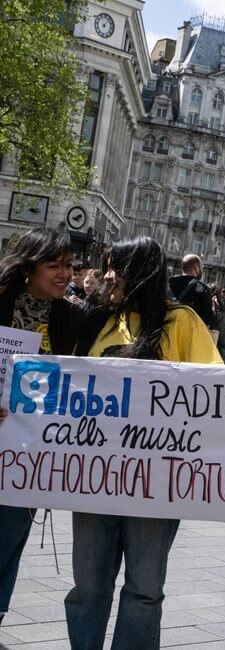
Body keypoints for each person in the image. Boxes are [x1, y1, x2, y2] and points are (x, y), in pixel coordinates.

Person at [63, 236, 222, 649]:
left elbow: (217, 389)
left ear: (144, 271)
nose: (109, 275)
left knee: (144, 590)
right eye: (108, 265)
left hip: (156, 486)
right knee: (87, 587)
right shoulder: (96, 318)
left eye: (118, 266)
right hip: (95, 482)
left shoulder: (181, 320)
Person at [0, 228, 84, 627]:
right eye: (55, 265)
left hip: (29, 453)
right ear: (28, 268)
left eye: (69, 264)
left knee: (10, 541)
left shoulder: (70, 317)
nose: (65, 273)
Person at [168, 253, 214, 327]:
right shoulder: (202, 289)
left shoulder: (168, 284)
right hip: (188, 335)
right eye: (201, 267)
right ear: (196, 268)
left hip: (167, 333)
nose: (201, 270)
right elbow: (207, 320)